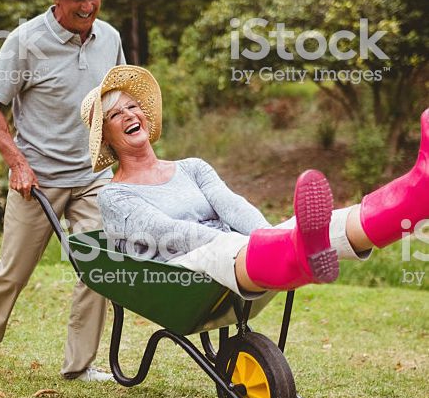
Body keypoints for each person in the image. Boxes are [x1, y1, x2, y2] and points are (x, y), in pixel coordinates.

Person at [80, 65, 428, 302]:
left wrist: (268, 234)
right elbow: (169, 234)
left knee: (324, 223)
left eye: (132, 106)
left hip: (239, 256)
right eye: (115, 114)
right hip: (179, 276)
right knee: (230, 248)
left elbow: (233, 205)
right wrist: (249, 243)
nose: (129, 115)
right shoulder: (115, 194)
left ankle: (415, 194)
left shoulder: (192, 167)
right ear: (106, 138)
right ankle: (287, 253)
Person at [0, 0, 125, 381]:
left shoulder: (109, 38)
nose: (88, 6)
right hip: (38, 179)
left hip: (92, 176)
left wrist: (126, 160)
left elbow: (119, 101)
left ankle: (79, 365)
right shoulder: (27, 41)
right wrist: (17, 162)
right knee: (11, 271)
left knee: (98, 267)